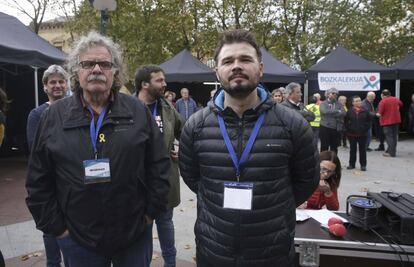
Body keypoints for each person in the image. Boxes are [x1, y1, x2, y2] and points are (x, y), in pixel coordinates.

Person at [25, 31, 170, 267]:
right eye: (87, 64)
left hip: (134, 235)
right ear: (76, 71)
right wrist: (58, 229)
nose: (96, 69)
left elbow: (159, 166)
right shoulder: (54, 116)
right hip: (77, 239)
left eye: (104, 64)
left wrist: (149, 214)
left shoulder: (137, 111)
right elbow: (38, 179)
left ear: (115, 71)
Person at [179, 29, 319, 267]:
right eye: (228, 61)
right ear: (218, 72)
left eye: (245, 59)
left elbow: (306, 180)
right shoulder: (196, 125)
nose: (236, 66)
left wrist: (273, 206)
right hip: (215, 249)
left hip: (271, 251)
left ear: (260, 69)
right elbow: (193, 178)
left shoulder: (293, 124)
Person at [135, 65, 184, 267]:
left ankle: (170, 263)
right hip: (137, 183)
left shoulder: (167, 108)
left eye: (164, 80)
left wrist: (182, 151)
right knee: (142, 229)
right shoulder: (126, 107)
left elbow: (186, 133)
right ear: (145, 84)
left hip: (164, 180)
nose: (164, 84)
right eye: (159, 80)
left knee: (165, 224)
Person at [26, 65, 69, 267]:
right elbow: (37, 153)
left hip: (73, 185)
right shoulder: (37, 115)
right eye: (52, 82)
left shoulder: (77, 110)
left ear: (67, 84)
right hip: (51, 186)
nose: (57, 85)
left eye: (61, 81)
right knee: (52, 238)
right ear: (45, 87)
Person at [345, 96, 371, 171]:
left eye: (359, 101)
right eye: (356, 101)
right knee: (352, 150)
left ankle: (363, 165)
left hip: (363, 134)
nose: (358, 102)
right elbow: (346, 122)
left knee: (362, 150)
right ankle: (351, 164)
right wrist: (349, 129)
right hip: (352, 134)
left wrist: (365, 128)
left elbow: (369, 121)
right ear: (353, 103)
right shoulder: (349, 111)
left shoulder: (365, 111)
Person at [377, 89, 403, 157]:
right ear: (389, 94)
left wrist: (376, 114)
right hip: (396, 121)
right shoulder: (395, 99)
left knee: (389, 137)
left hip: (387, 122)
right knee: (394, 137)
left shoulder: (383, 101)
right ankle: (390, 150)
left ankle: (392, 153)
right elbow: (401, 104)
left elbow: (380, 113)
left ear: (382, 95)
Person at [319, 87, 346, 154]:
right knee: (324, 147)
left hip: (335, 128)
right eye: (333, 93)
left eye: (336, 94)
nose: (335, 95)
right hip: (325, 127)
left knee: (334, 147)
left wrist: (331, 112)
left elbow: (343, 113)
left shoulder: (339, 104)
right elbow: (324, 111)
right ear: (328, 94)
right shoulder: (323, 103)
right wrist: (337, 111)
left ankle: (333, 162)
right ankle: (322, 162)